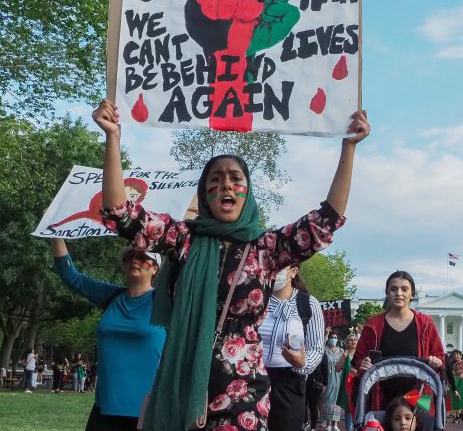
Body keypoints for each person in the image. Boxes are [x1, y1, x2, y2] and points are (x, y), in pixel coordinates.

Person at [92, 98, 370, 431]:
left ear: (247, 192)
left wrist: (349, 148)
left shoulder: (266, 248)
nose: (226, 184)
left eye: (235, 179)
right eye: (216, 179)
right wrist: (112, 138)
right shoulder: (184, 240)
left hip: (243, 395)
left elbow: (325, 221)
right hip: (181, 384)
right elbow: (120, 214)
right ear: (205, 193)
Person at [48, 238, 165, 430]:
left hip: (148, 411)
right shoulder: (111, 297)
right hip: (105, 409)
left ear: (155, 268)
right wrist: (55, 233)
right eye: (130, 256)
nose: (135, 260)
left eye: (143, 256)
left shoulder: (165, 302)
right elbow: (72, 277)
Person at [354, 271, 445, 410]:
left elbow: (440, 357)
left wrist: (436, 362)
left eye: (404, 289)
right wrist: (363, 363)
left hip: (419, 394)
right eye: (393, 288)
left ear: (412, 294)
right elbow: (359, 358)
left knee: (421, 424)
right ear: (387, 293)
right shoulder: (372, 324)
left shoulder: (426, 323)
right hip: (381, 396)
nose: (399, 293)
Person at [260, 264, 326, 431]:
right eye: (269, 266)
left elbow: (317, 348)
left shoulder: (308, 304)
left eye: (279, 267)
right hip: (253, 379)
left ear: (293, 272)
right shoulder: (256, 297)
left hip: (289, 384)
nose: (273, 271)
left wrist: (303, 363)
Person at [320, 332, 344, 430]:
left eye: (335, 337)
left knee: (337, 399)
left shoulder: (341, 350)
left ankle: (335, 424)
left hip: (339, 377)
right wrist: (326, 333)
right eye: (332, 337)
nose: (334, 339)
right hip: (327, 378)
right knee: (328, 399)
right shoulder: (324, 349)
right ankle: (327, 421)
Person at [336, 333, 359, 431]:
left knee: (358, 408)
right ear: (347, 343)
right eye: (351, 340)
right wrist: (343, 357)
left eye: (355, 339)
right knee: (348, 410)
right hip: (347, 386)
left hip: (358, 385)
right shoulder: (345, 354)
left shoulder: (361, 353)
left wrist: (356, 372)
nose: (353, 341)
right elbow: (337, 369)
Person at [306, 350, 328, 431]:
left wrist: (325, 383)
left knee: (313, 406)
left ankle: (313, 427)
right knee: (302, 405)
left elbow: (325, 367)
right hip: (302, 381)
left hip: (316, 383)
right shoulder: (302, 348)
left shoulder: (321, 351)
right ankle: (304, 423)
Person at [448, 350, 463, 424]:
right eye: (454, 355)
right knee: (455, 400)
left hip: (462, 383)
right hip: (454, 384)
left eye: (457, 354)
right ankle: (457, 416)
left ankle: (462, 414)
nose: (456, 356)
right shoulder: (451, 364)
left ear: (461, 355)